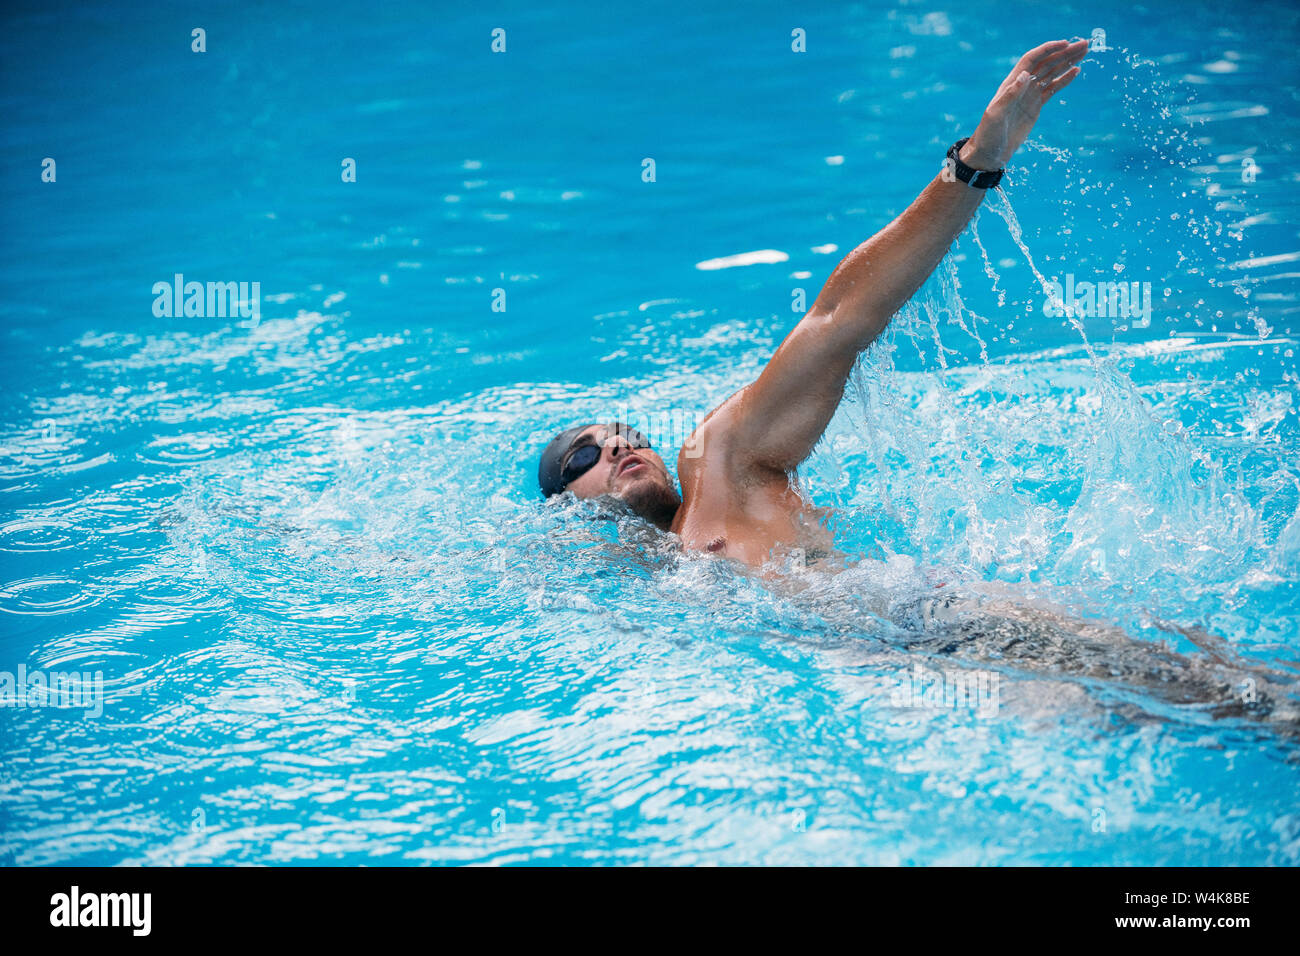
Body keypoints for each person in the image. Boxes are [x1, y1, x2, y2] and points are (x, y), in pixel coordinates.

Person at [538, 39, 1090, 569]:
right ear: (561, 507)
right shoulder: (641, 577)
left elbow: (836, 322)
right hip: (871, 660)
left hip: (942, 629)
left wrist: (974, 164)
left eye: (629, 436)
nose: (616, 446)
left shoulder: (720, 466)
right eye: (583, 456)